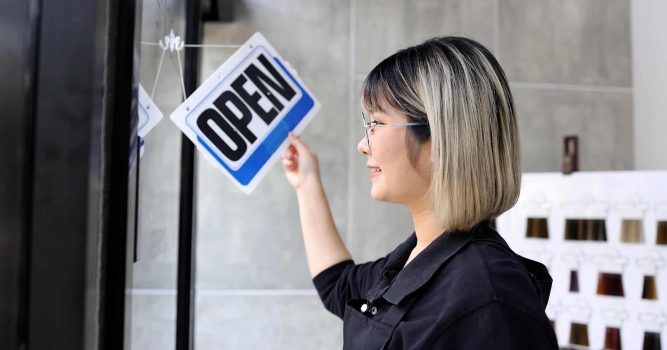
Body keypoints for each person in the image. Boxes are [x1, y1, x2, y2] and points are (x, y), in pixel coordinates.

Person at [282, 36, 558, 349]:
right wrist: (306, 182)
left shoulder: (490, 301)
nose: (363, 145)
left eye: (376, 123)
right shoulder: (419, 256)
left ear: (441, 137)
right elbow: (337, 285)